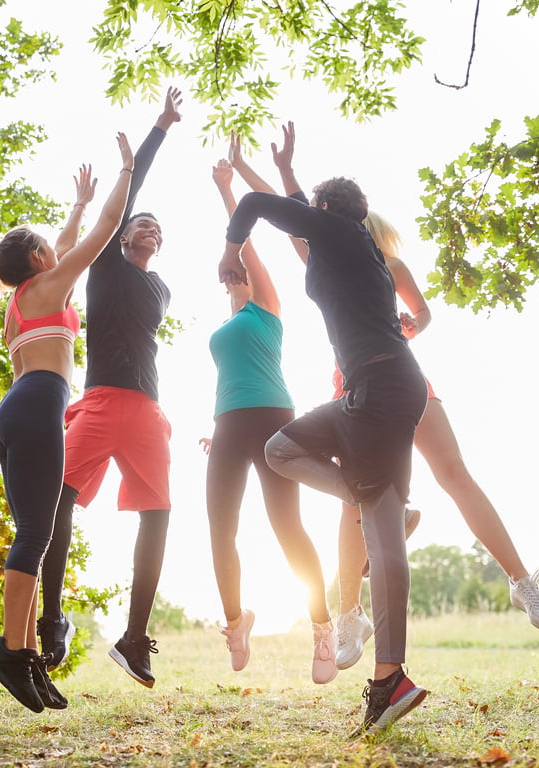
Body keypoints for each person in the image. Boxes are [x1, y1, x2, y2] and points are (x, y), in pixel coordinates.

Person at [218, 122, 428, 734]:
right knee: (282, 448)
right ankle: (372, 502)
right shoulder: (345, 243)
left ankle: (389, 680)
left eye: (312, 205)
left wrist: (232, 247)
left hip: (381, 389)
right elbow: (293, 224)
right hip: (379, 388)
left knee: (385, 542)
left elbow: (262, 210)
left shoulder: (338, 232)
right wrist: (286, 168)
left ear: (327, 210)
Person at [333, 212, 539, 670]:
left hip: (406, 379)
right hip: (353, 385)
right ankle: (349, 614)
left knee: (455, 474)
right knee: (352, 500)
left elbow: (423, 311)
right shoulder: (330, 271)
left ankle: (521, 582)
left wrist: (411, 325)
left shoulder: (391, 269)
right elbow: (291, 217)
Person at [0, 133, 134, 713]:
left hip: (15, 408)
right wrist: (124, 172)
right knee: (35, 537)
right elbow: (104, 232)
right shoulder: (49, 284)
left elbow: (63, 242)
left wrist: (75, 206)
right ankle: (10, 650)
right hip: (42, 405)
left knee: (34, 537)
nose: (55, 249)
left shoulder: (22, 300)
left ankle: (22, 653)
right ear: (39, 261)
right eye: (47, 248)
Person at [37, 88, 182, 689]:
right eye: (138, 222)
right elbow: (127, 199)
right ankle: (51, 622)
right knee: (56, 501)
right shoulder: (107, 264)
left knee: (160, 513)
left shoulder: (162, 289)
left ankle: (133, 637)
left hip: (147, 409)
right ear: (123, 237)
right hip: (97, 402)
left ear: (159, 243)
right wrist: (158, 130)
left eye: (155, 226)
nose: (146, 227)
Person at [204, 140, 336, 683]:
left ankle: (323, 629)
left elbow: (247, 243)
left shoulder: (268, 311)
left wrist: (226, 189)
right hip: (228, 425)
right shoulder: (224, 326)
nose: (236, 277)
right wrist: (219, 429)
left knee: (288, 527)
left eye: (242, 273)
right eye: (231, 276)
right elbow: (228, 382)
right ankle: (236, 622)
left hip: (276, 420)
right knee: (219, 528)